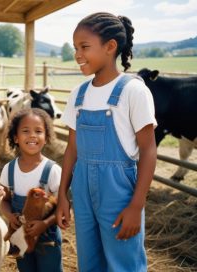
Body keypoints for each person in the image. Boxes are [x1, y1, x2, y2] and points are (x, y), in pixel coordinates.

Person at [56, 12, 157, 272]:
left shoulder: (133, 90)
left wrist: (137, 205)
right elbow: (72, 149)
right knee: (89, 262)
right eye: (75, 47)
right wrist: (62, 196)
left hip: (118, 190)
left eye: (84, 47)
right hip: (82, 190)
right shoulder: (78, 94)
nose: (77, 54)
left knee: (123, 263)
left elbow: (148, 149)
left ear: (110, 47)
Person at [0, 108, 63, 272]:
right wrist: (9, 216)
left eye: (38, 131)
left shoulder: (53, 170)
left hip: (47, 240)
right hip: (21, 238)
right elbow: (5, 200)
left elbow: (63, 207)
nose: (32, 135)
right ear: (16, 137)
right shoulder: (9, 170)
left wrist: (44, 223)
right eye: (25, 131)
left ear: (46, 137)